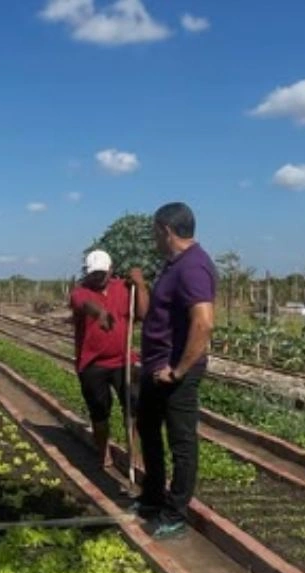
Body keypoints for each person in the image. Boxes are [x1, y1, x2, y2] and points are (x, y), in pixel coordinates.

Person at [133, 202, 216, 539]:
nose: (153, 238)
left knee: (181, 441)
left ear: (166, 230)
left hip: (176, 371)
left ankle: (175, 512)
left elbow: (204, 323)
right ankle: (152, 497)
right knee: (148, 430)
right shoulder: (174, 265)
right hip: (157, 368)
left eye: (155, 232)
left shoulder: (194, 267)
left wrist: (178, 370)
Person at [69, 249, 147, 469]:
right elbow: (84, 305)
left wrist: (140, 285)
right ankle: (103, 451)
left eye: (101, 273)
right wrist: (100, 313)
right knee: (99, 411)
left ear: (111, 270)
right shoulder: (80, 291)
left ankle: (134, 454)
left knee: (133, 407)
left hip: (123, 361)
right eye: (93, 273)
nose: (97, 277)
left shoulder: (124, 288)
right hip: (92, 364)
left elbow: (142, 314)